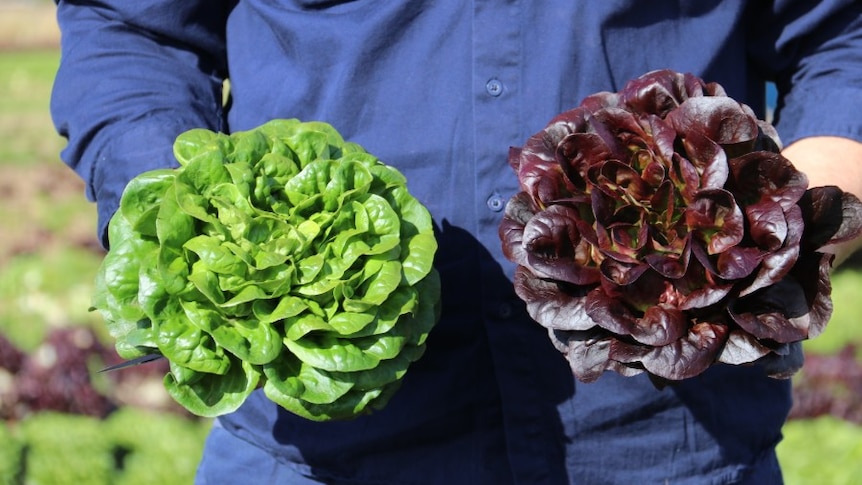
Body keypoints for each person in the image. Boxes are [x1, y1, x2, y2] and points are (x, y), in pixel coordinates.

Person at [51, 1, 862, 483]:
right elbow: (133, 30)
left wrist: (773, 228)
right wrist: (198, 235)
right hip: (317, 450)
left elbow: (842, 35)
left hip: (670, 437)